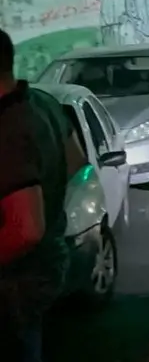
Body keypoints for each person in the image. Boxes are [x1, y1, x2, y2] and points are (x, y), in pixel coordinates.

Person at [0, 28, 84, 361]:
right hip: (48, 262)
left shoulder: (7, 130)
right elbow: (77, 159)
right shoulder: (43, 103)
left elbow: (25, 230)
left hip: (13, 283)